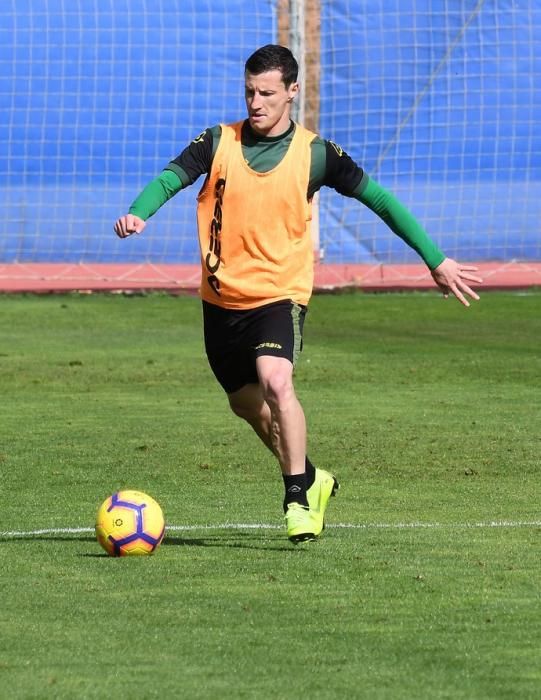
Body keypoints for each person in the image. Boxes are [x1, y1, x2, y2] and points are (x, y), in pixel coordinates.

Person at [114, 44, 482, 543]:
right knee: (247, 405)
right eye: (249, 92)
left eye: (266, 93)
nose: (255, 102)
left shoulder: (316, 154)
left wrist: (435, 259)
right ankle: (313, 477)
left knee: (276, 382)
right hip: (221, 301)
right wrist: (140, 211)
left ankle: (296, 499)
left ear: (292, 91)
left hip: (279, 294)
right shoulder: (218, 140)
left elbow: (381, 201)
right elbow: (170, 177)